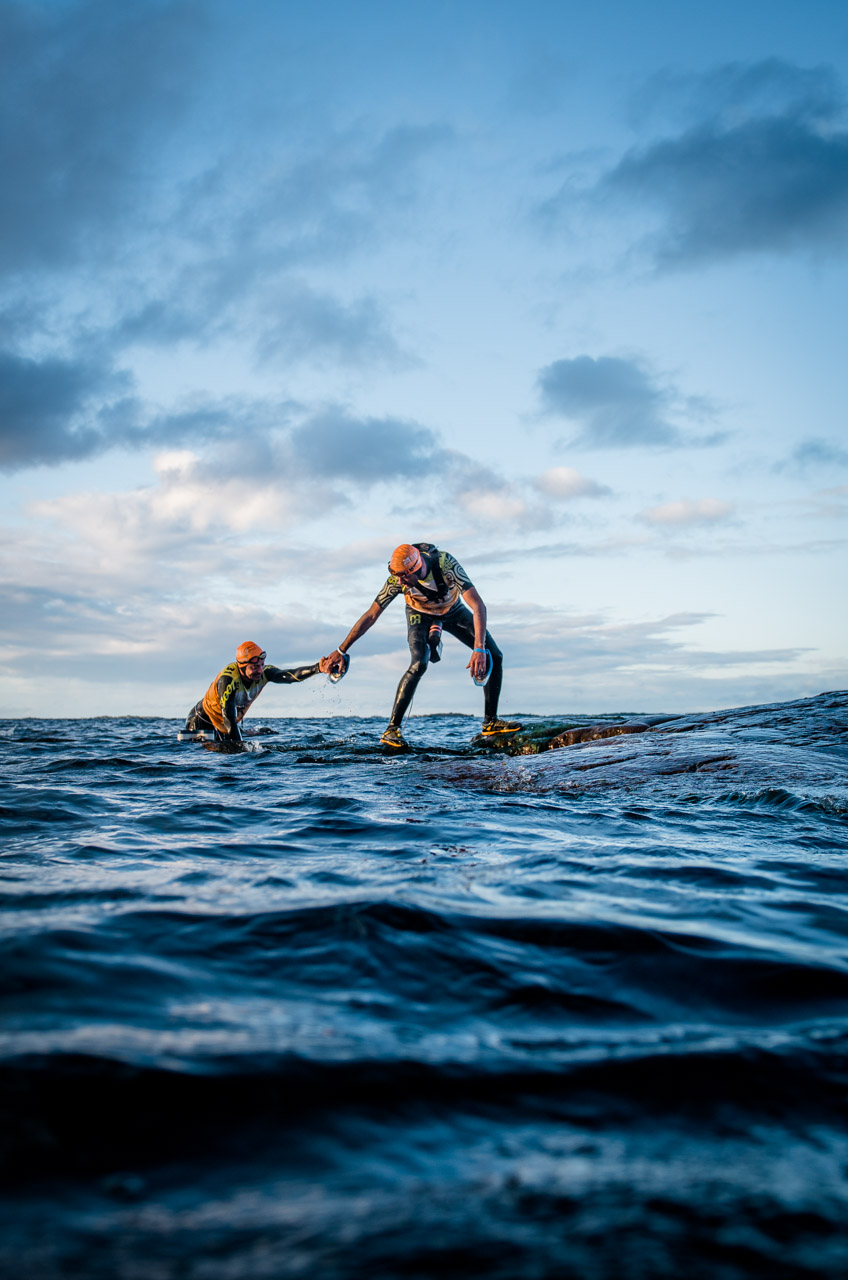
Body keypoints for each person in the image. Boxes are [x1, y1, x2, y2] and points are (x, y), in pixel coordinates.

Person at [325, 542, 521, 749]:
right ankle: (392, 729)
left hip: (452, 611)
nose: (399, 581)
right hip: (419, 614)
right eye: (395, 575)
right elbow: (372, 615)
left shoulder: (446, 564)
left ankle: (490, 722)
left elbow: (478, 605)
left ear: (416, 568)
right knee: (419, 663)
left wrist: (479, 648)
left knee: (494, 655)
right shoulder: (396, 579)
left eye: (403, 576)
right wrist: (341, 650)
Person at [183, 641, 334, 742]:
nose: (260, 671)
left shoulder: (264, 673)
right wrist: (242, 752)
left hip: (224, 724)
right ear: (241, 667)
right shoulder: (228, 680)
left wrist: (317, 668)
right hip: (202, 721)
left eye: (262, 665)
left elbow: (289, 675)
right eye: (255, 667)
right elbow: (228, 718)